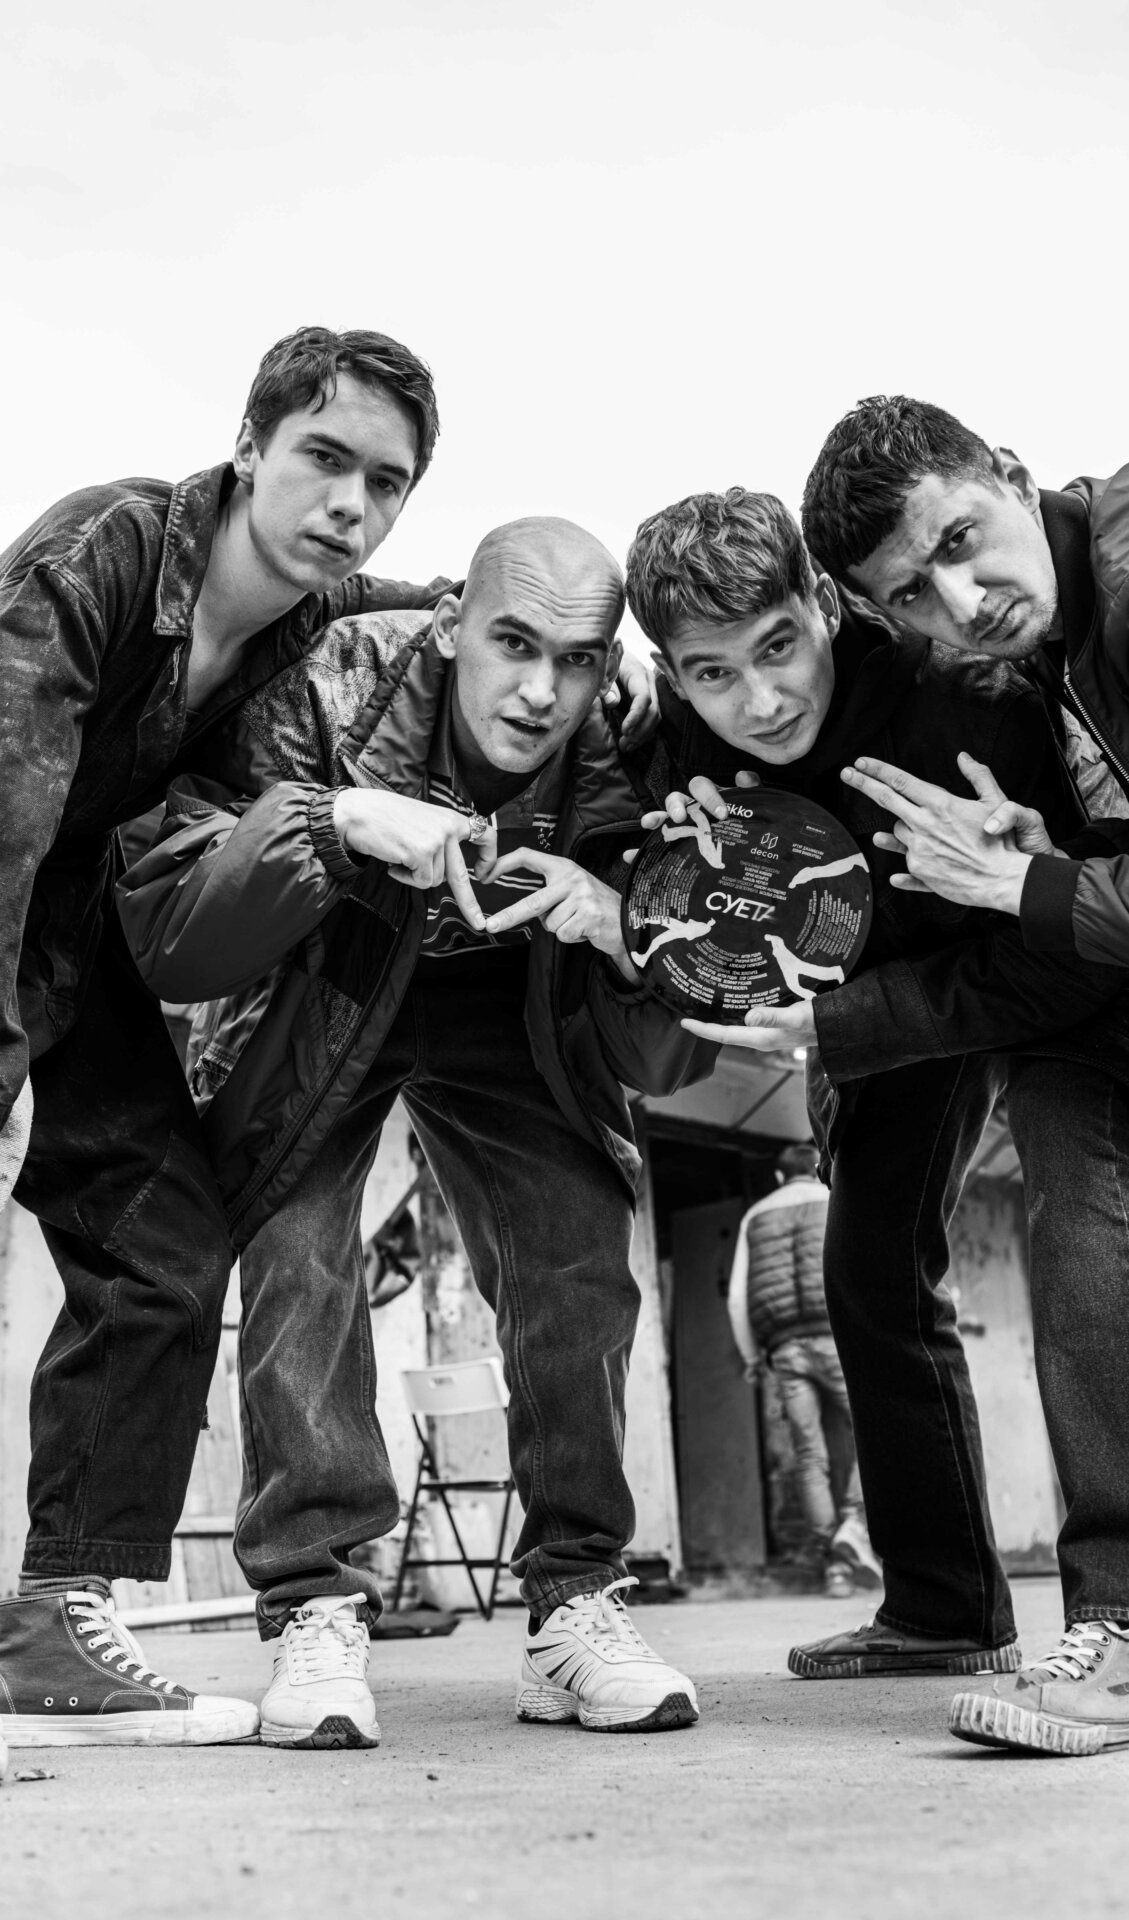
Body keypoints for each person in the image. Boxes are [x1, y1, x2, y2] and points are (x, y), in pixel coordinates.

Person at [622, 486, 1129, 1757]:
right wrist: (667, 842)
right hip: (889, 983)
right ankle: (942, 1605)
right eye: (712, 674)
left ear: (823, 604)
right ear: (672, 673)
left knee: (1077, 1192)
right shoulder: (679, 735)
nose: (759, 701)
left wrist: (843, 1024)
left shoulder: (972, 695)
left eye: (778, 647)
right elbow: (645, 828)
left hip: (1075, 953)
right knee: (869, 1261)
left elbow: (1067, 958)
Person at [118, 517, 714, 1746]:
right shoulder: (328, 686)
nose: (541, 690)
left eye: (576, 658)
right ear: (450, 625)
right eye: (513, 644)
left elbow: (685, 1017)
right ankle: (313, 1602)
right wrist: (333, 818)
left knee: (576, 1252)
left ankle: (574, 1600)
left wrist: (623, 917)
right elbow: (177, 902)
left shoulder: (624, 744)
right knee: (298, 1249)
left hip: (512, 993)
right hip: (324, 968)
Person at [0, 324, 443, 1749]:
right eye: (324, 457)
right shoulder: (106, 556)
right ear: (249, 445)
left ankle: (52, 1627)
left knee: (166, 1242)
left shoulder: (306, 619)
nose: (349, 505)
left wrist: (589, 664)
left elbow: (436, 602)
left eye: (385, 481)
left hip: (77, 926)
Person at [798, 395, 1129, 986]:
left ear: (1017, 482)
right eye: (912, 592)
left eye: (958, 540)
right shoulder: (1061, 617)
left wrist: (1014, 883)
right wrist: (1051, 867)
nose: (967, 605)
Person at [727, 1142, 880, 1597]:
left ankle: (836, 1568)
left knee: (810, 1455)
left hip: (785, 1350)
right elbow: (865, 1267)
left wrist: (752, 1358)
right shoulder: (835, 1200)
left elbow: (737, 1298)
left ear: (778, 1177)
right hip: (837, 1339)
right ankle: (854, 1524)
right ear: (817, 1169)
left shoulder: (754, 1216)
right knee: (875, 1434)